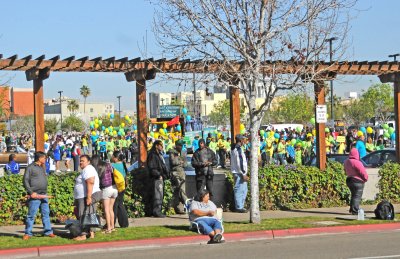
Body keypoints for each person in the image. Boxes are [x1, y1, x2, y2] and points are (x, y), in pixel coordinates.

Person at [22, 151, 56, 240]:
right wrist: (31, 192)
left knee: (46, 214)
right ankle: (28, 233)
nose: (45, 159)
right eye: (44, 158)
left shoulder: (42, 167)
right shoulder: (30, 167)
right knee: (31, 215)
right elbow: (25, 180)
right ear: (40, 158)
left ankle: (48, 231)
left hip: (43, 194)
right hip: (35, 195)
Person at [73, 155, 102, 241]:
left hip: (86, 195)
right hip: (84, 196)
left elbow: (90, 182)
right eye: (80, 161)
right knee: (89, 214)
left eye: (83, 161)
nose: (80, 162)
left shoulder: (88, 169)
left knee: (83, 215)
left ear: (88, 162)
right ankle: (91, 234)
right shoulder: (87, 169)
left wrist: (89, 197)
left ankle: (83, 235)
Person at [91, 155, 118, 234]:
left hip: (106, 189)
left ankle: (108, 228)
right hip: (114, 188)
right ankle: (112, 227)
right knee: (111, 209)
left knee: (106, 210)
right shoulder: (107, 164)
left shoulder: (97, 168)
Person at [147, 140, 169, 217]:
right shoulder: (153, 154)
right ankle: (157, 211)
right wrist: (158, 175)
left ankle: (158, 210)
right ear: (156, 145)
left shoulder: (159, 154)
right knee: (158, 195)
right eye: (160, 145)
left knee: (160, 194)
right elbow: (152, 167)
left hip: (160, 177)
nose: (162, 147)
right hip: (156, 178)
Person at [344, 148, 368, 215]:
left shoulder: (346, 161)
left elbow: (345, 171)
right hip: (357, 181)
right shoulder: (357, 162)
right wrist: (365, 178)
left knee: (353, 195)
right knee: (357, 196)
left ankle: (352, 208)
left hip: (349, 179)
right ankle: (355, 210)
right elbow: (363, 172)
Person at [168, 140, 188, 214]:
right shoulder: (172, 152)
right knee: (176, 192)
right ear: (176, 145)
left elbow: (185, 164)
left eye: (182, 146)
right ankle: (176, 207)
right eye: (180, 145)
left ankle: (182, 207)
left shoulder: (183, 153)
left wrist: (181, 163)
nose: (181, 147)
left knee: (182, 191)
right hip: (175, 174)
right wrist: (180, 162)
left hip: (182, 173)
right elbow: (173, 162)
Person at [230, 134, 248, 213]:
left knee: (244, 189)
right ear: (240, 140)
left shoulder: (236, 148)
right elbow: (239, 162)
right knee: (240, 189)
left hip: (238, 172)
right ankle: (239, 207)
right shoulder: (238, 149)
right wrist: (243, 173)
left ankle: (241, 205)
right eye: (243, 140)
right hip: (239, 173)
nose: (244, 141)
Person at [111, 151, 129, 227]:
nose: (111, 157)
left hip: (116, 187)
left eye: (112, 156)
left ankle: (112, 223)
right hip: (122, 186)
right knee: (120, 204)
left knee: (115, 205)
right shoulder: (123, 164)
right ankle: (124, 223)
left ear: (116, 158)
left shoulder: (113, 165)